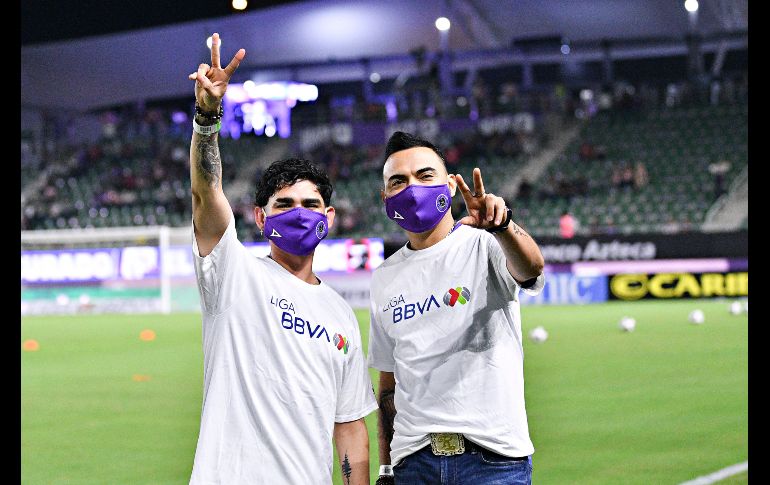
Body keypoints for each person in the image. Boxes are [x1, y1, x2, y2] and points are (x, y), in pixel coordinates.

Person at [186, 33, 377, 484]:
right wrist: (208, 117)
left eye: (310, 206)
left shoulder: (342, 316)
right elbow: (204, 195)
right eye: (283, 204)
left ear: (328, 217)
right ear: (259, 217)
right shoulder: (232, 273)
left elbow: (349, 428)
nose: (298, 213)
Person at [369, 131, 546, 485]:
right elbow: (389, 386)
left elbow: (532, 269)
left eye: (425, 175)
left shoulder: (485, 244)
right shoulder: (384, 278)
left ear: (450, 185)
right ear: (385, 196)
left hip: (493, 461)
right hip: (413, 466)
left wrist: (504, 226)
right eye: (398, 181)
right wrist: (386, 467)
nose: (412, 188)